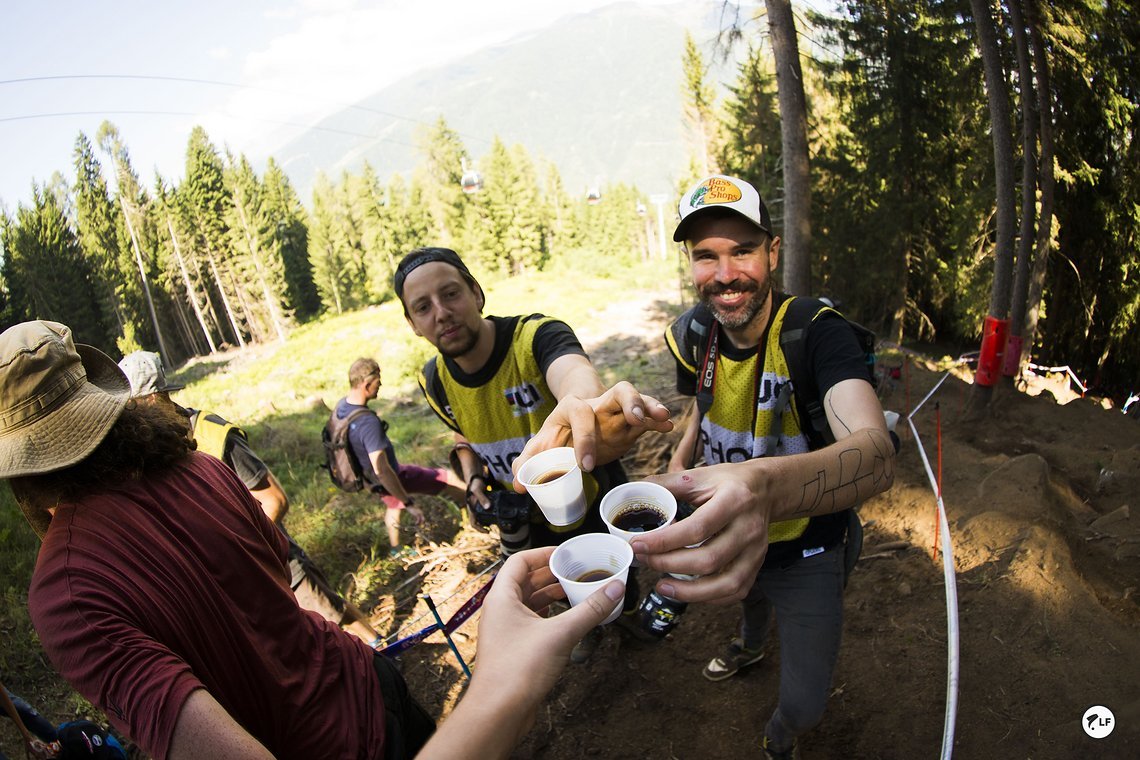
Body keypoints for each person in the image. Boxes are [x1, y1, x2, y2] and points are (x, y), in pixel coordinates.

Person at [1, 320, 622, 760]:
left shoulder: (64, 595)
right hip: (368, 685)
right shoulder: (201, 468)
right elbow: (275, 575)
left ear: (21, 467)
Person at [514, 174, 896, 759]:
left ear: (772, 251)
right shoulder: (693, 333)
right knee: (746, 597)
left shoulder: (817, 333)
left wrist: (765, 487)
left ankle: (782, 735)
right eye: (705, 256)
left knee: (805, 701)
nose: (724, 275)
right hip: (724, 522)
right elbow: (706, 401)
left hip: (809, 543)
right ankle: (750, 645)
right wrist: (678, 448)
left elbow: (873, 456)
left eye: (742, 250)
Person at [393, 247, 673, 661]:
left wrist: (586, 403)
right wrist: (473, 478)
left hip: (592, 490)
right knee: (559, 578)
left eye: (451, 294)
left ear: (476, 292)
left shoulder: (535, 336)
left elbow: (574, 375)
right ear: (413, 324)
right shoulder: (433, 380)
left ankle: (626, 615)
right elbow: (463, 433)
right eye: (423, 307)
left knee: (619, 568)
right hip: (529, 509)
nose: (441, 312)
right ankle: (587, 627)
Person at [115, 351, 385, 647]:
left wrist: (240, 554)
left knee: (331, 616)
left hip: (276, 560)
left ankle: (383, 649)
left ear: (152, 399)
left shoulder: (214, 436)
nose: (128, 417)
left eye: (131, 407)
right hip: (235, 583)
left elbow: (275, 501)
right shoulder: (155, 453)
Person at [336, 357, 465, 557]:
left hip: (370, 479)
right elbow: (383, 469)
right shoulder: (366, 423)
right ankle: (476, 512)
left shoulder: (342, 408)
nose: (380, 386)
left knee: (392, 506)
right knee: (448, 478)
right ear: (366, 383)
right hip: (391, 476)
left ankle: (396, 549)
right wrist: (409, 503)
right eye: (378, 382)